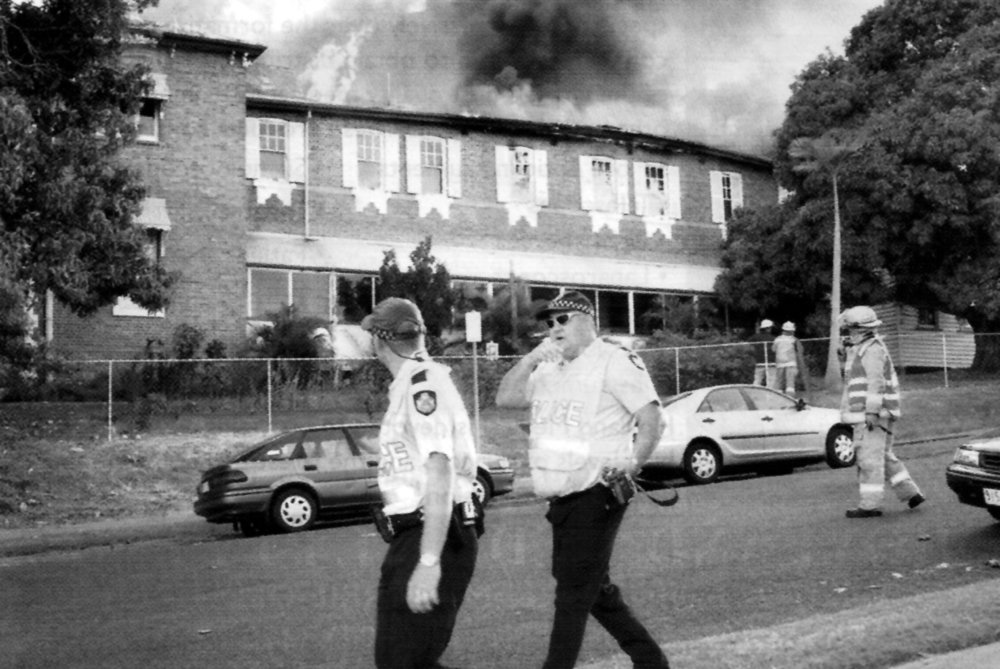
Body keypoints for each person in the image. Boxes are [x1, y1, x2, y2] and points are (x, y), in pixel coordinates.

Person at [496, 291, 670, 669]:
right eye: (549, 322)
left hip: (598, 492)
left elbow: (653, 419)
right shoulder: (547, 367)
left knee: (572, 593)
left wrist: (632, 463)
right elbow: (505, 399)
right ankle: (651, 661)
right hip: (561, 499)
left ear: (586, 320)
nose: (554, 328)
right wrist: (528, 360)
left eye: (562, 320)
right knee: (593, 590)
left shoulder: (614, 360)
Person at [361, 297, 481, 668]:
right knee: (408, 660)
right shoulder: (414, 383)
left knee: (401, 661)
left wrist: (429, 561)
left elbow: (440, 472)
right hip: (422, 534)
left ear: (379, 340)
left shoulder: (420, 387)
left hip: (430, 533)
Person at [839, 305, 925, 518]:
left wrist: (871, 412)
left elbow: (875, 383)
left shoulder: (872, 349)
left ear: (860, 329)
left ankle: (869, 505)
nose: (848, 333)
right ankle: (911, 493)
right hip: (876, 413)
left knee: (868, 459)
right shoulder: (864, 348)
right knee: (883, 456)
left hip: (872, 415)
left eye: (850, 329)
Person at [771, 321, 805, 395]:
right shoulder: (794, 339)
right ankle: (790, 398)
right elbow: (801, 350)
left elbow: (773, 349)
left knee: (779, 382)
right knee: (790, 383)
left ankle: (778, 397)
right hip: (791, 363)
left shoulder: (777, 339)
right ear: (792, 331)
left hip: (779, 363)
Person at [748, 319, 775, 386]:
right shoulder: (773, 338)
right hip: (771, 361)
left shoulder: (755, 337)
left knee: (757, 380)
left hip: (759, 361)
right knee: (771, 380)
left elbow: (748, 344)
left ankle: (755, 393)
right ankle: (770, 395)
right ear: (768, 328)